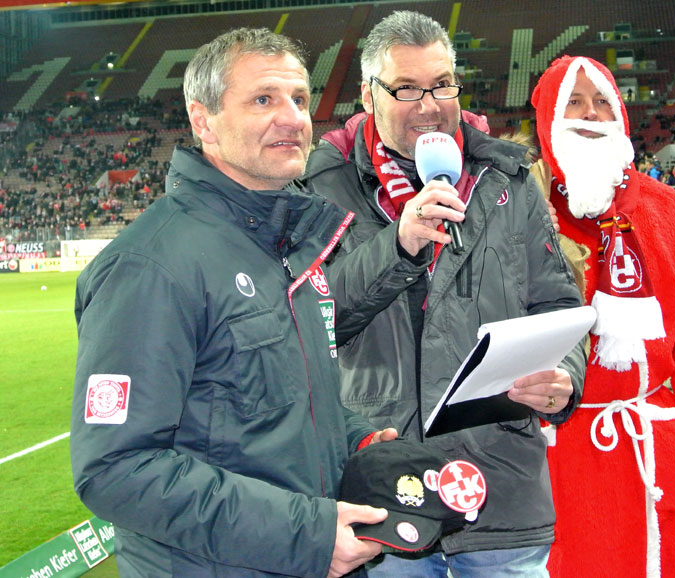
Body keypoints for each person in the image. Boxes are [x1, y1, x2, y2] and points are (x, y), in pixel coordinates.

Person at [70, 28, 396, 578]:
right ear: (203, 121)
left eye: (298, 98)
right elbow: (116, 469)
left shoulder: (287, 248)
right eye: (264, 99)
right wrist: (306, 534)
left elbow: (275, 405)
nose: (293, 117)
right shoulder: (152, 265)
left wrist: (357, 438)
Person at [302, 11, 586, 577]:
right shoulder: (316, 186)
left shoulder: (506, 179)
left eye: (441, 85)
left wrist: (565, 376)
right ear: (368, 94)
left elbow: (558, 302)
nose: (429, 105)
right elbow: (310, 322)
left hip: (500, 481)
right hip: (385, 482)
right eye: (406, 89)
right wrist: (398, 245)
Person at [530, 55, 675, 578]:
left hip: (658, 444)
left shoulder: (666, 209)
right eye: (574, 103)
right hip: (562, 454)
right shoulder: (522, 209)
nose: (590, 115)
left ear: (621, 115)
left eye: (602, 101)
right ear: (549, 119)